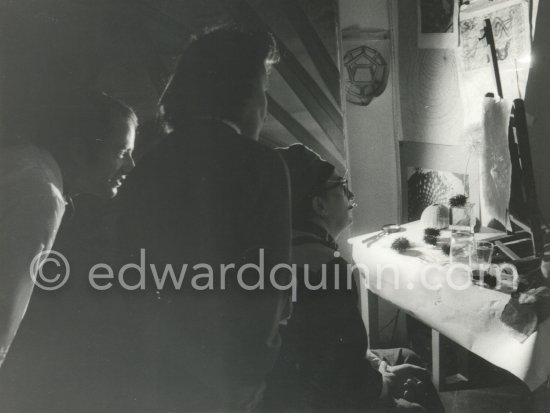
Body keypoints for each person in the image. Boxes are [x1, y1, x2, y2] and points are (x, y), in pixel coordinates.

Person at [116, 27, 291, 412]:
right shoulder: (261, 164)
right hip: (228, 373)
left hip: (155, 368)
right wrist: (253, 373)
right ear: (243, 93)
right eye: (263, 89)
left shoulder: (148, 165)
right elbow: (269, 284)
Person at [261, 143, 444, 413]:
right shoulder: (327, 270)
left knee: (405, 356)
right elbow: (340, 381)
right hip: (313, 402)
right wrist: (384, 381)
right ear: (319, 205)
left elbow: (330, 350)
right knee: (416, 395)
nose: (351, 195)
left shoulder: (268, 251)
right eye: (342, 187)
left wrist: (375, 364)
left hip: (281, 390)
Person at [0, 90, 137, 368]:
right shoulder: (43, 197)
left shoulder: (21, 163)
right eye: (121, 152)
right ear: (78, 149)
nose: (130, 166)